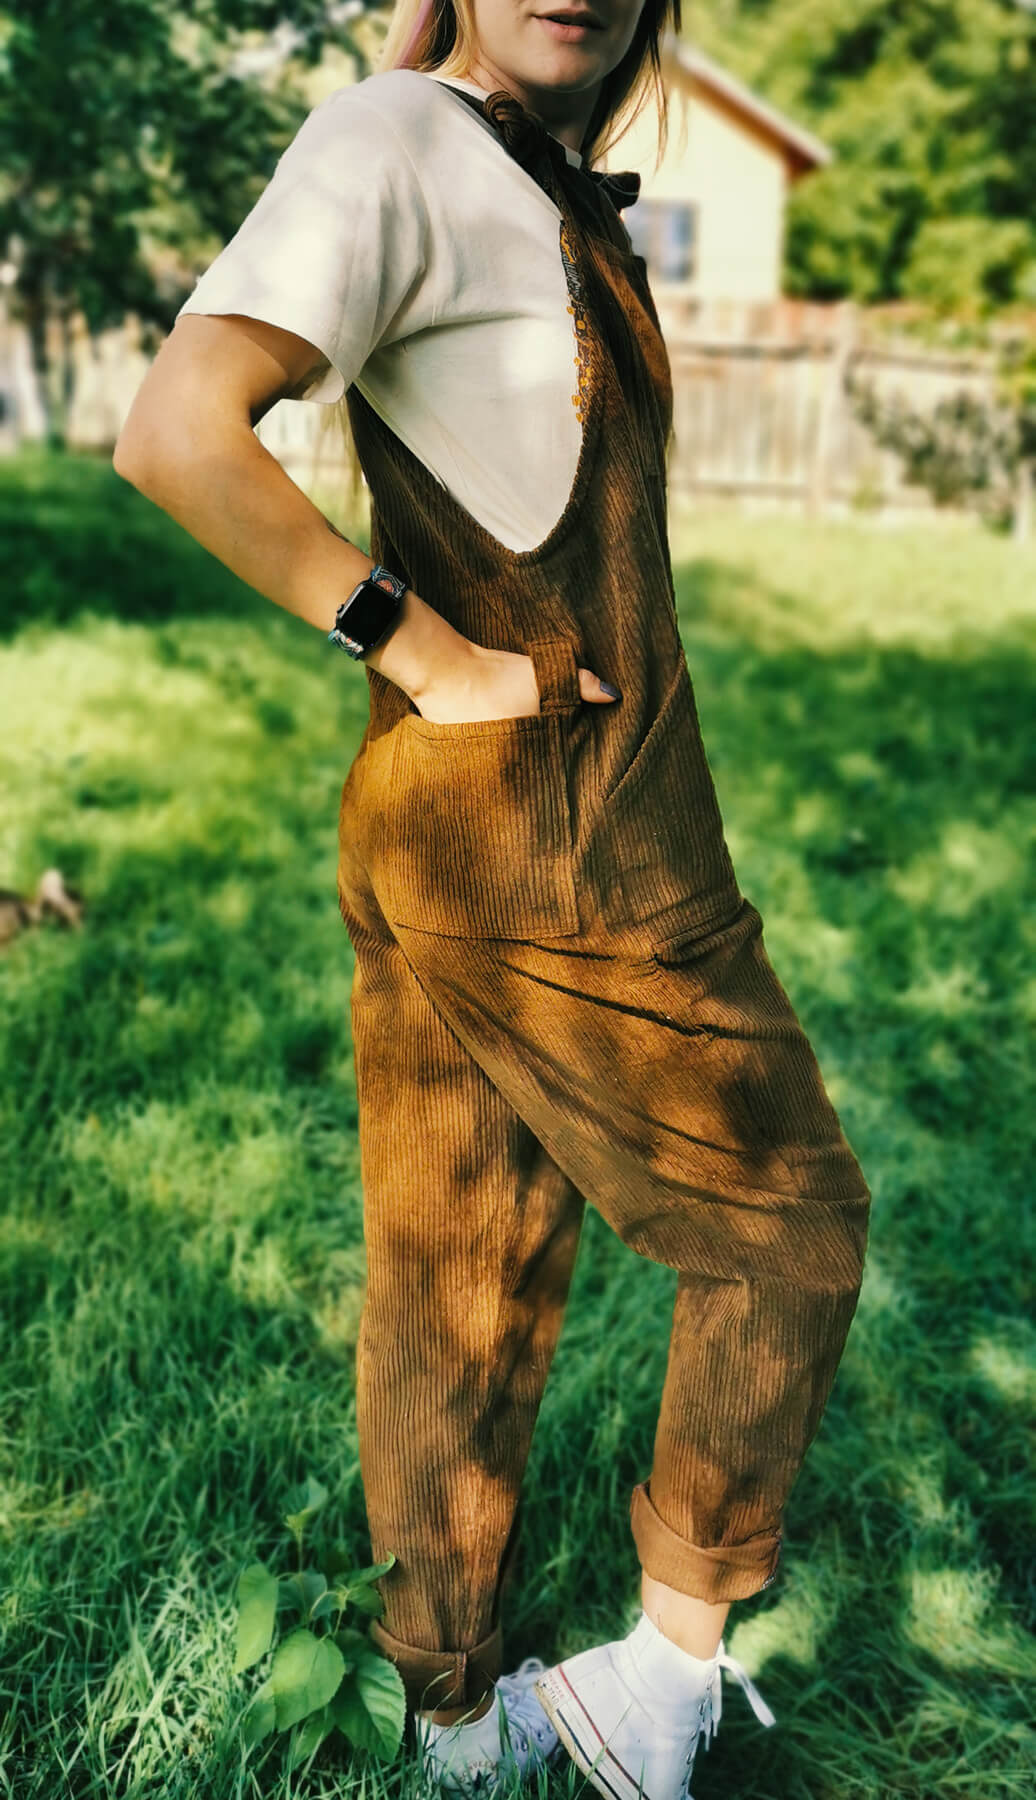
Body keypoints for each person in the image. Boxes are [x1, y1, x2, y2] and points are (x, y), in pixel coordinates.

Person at [113, 2, 871, 1795]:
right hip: (560, 836)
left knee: (462, 1271)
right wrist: (430, 652)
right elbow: (177, 431)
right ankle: (652, 1690)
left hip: (463, 833)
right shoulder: (398, 139)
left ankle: (447, 1716)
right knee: (792, 1227)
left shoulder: (500, 165)